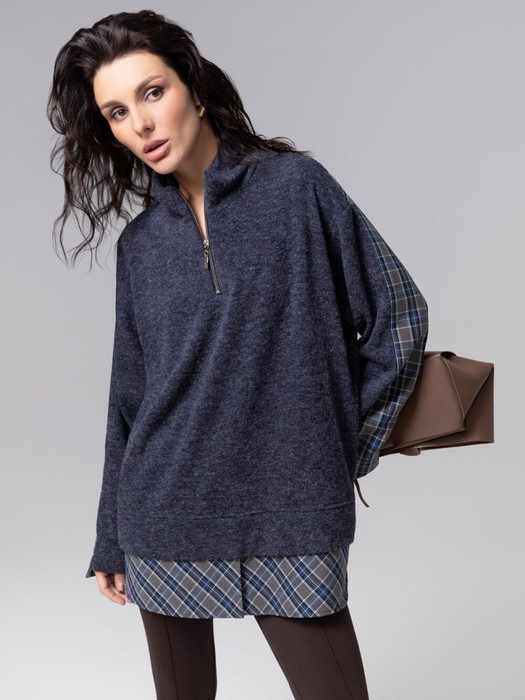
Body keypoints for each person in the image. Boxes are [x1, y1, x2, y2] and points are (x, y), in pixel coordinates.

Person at [47, 10, 429, 700]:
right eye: (117, 112)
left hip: (291, 508)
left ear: (193, 87)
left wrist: (340, 445)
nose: (141, 123)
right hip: (164, 512)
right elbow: (129, 400)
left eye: (152, 92)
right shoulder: (140, 248)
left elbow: (397, 317)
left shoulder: (295, 189)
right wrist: (109, 536)